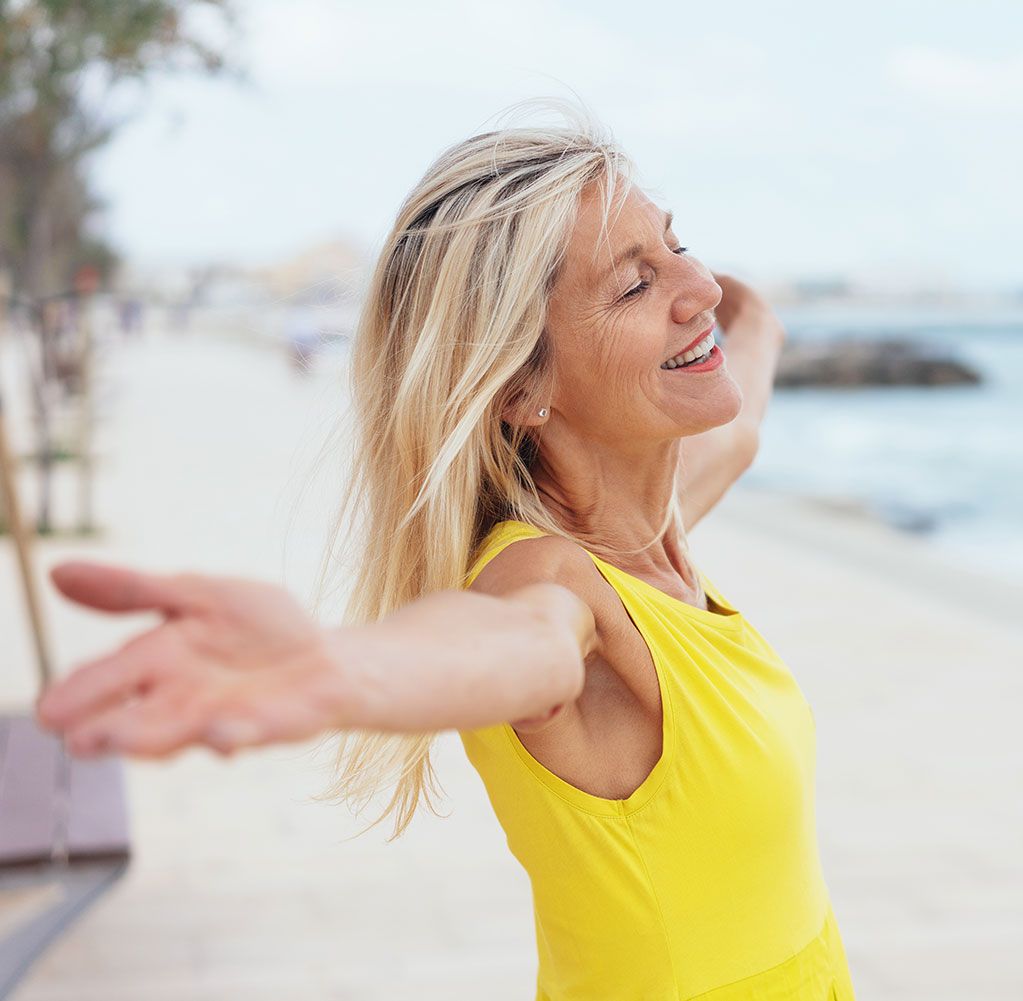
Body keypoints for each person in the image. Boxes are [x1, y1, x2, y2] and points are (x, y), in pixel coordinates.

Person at [31, 97, 857, 999]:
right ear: (521, 383)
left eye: (677, 243)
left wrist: (752, 317)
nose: (693, 288)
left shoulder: (655, 534)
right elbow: (508, 644)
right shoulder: (550, 585)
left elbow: (740, 427)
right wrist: (334, 667)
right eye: (632, 286)